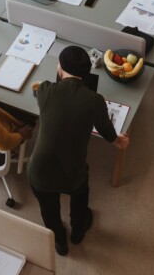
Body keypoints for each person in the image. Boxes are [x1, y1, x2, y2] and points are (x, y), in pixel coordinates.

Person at [28, 45, 130, 255]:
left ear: (60, 67)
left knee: (48, 210)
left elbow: (39, 92)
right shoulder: (95, 100)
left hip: (40, 173)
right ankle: (78, 231)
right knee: (80, 195)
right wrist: (120, 142)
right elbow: (108, 134)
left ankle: (59, 242)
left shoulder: (45, 90)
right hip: (73, 173)